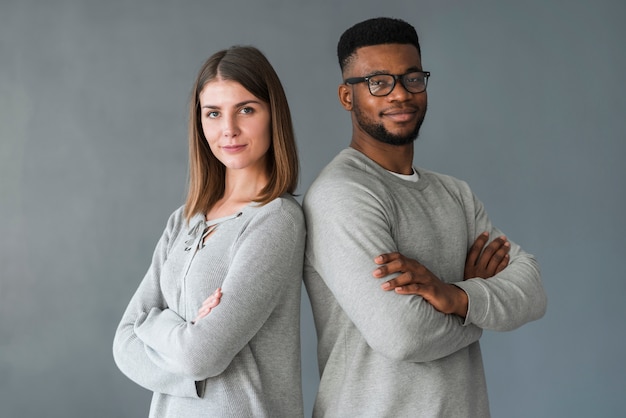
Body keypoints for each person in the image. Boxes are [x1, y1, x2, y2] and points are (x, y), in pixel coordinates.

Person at [302, 17, 547, 417]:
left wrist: (456, 296)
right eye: (378, 82)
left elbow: (533, 289)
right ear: (347, 97)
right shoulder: (341, 194)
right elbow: (404, 336)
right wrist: (477, 305)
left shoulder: (456, 194)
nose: (400, 94)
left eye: (412, 78)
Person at [113, 45, 305, 417]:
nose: (228, 130)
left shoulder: (276, 219)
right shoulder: (185, 219)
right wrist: (179, 333)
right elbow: (123, 343)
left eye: (246, 109)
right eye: (213, 113)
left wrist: (151, 326)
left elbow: (202, 355)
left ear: (272, 115)